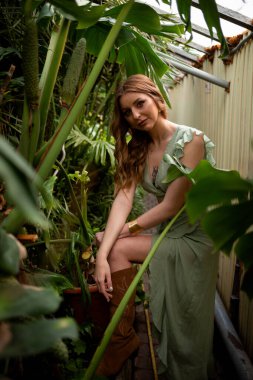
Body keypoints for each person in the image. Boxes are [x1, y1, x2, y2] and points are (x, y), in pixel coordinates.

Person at [94, 74, 219, 379]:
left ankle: (178, 368)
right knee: (113, 250)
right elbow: (122, 201)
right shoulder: (138, 148)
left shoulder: (192, 141)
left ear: (157, 100)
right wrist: (101, 254)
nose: (135, 116)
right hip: (168, 234)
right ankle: (121, 339)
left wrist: (118, 234)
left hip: (194, 240)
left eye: (140, 104)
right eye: (127, 112)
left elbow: (171, 206)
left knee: (187, 326)